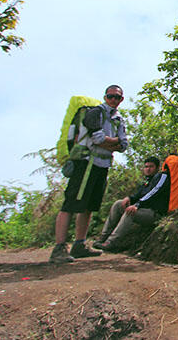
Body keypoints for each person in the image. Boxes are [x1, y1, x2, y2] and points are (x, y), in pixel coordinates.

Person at [49, 85, 128, 263]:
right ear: (105, 96)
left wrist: (111, 143)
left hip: (102, 165)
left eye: (117, 97)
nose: (114, 100)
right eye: (111, 96)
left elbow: (123, 145)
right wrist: (114, 143)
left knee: (89, 206)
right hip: (85, 163)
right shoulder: (95, 113)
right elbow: (98, 139)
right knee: (71, 203)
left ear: (121, 99)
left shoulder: (118, 119)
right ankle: (59, 248)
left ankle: (80, 244)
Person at [93, 156, 170, 252]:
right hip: (144, 210)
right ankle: (103, 238)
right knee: (118, 204)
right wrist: (129, 198)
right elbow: (138, 195)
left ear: (157, 167)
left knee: (130, 212)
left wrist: (137, 205)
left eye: (151, 167)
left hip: (155, 213)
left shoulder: (161, 177)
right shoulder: (147, 181)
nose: (148, 169)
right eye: (146, 167)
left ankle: (111, 242)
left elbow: (153, 193)